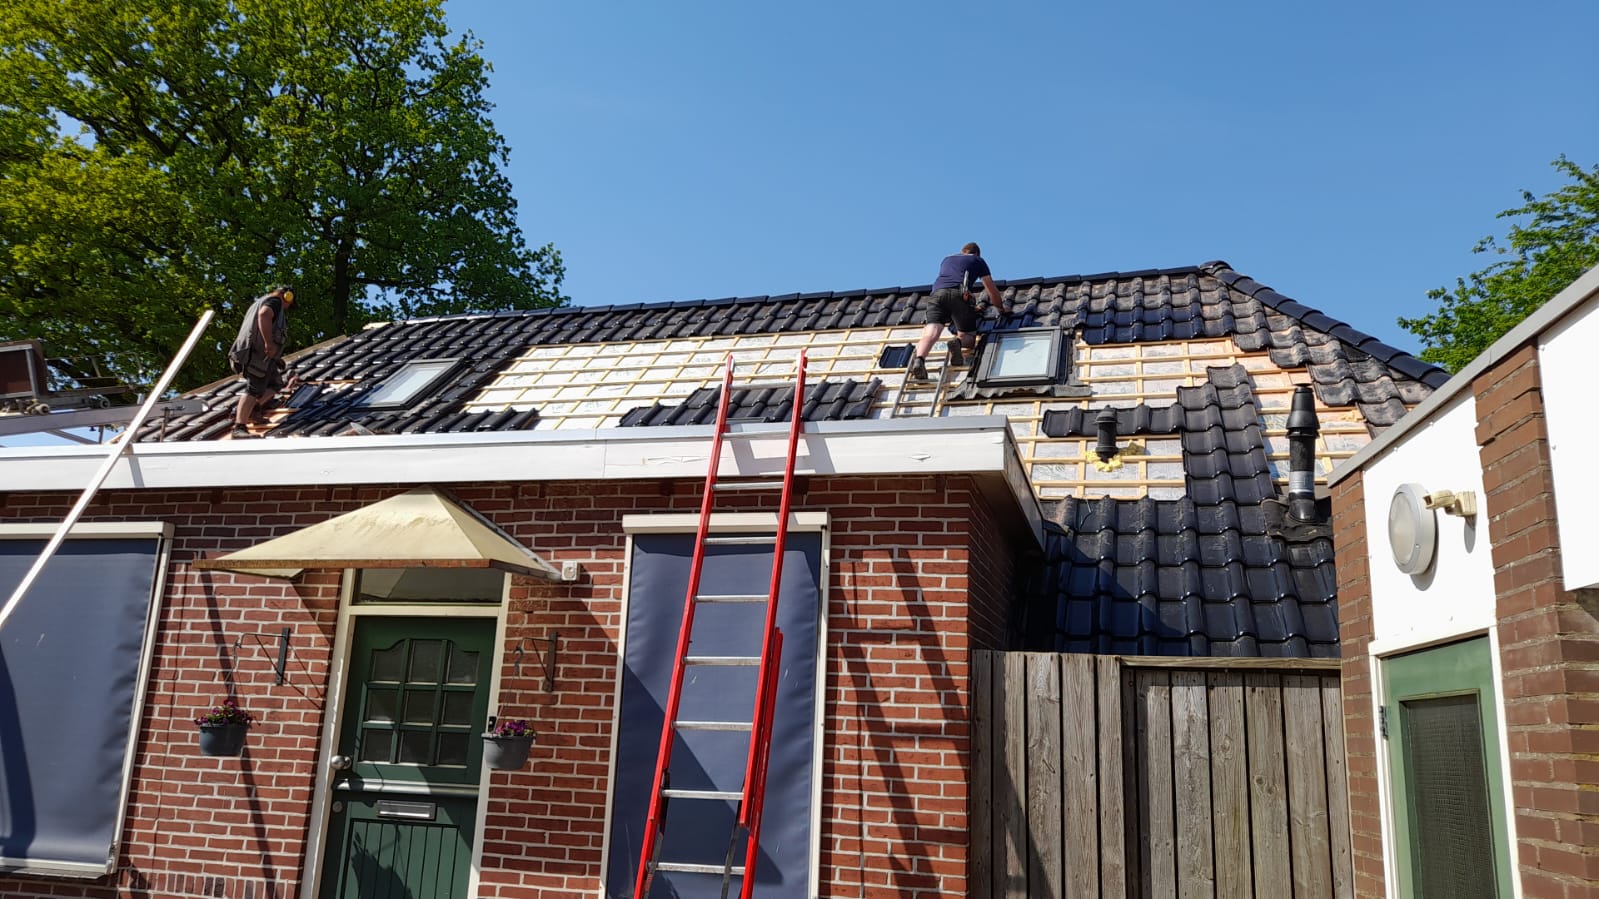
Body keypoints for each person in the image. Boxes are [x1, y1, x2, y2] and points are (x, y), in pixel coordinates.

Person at [909, 242, 1008, 381]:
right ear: (976, 253)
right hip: (959, 294)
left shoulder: (947, 259)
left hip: (936, 295)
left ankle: (919, 359)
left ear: (963, 251)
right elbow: (991, 289)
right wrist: (1001, 308)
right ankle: (958, 342)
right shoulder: (978, 260)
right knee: (969, 337)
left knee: (931, 332)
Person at [227, 285, 296, 438]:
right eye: (289, 305)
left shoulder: (260, 302)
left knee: (275, 384)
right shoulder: (275, 302)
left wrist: (275, 358)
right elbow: (264, 315)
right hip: (257, 355)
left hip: (262, 356)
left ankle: (253, 411)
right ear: (287, 296)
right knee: (254, 388)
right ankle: (239, 427)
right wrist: (268, 344)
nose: (287, 308)